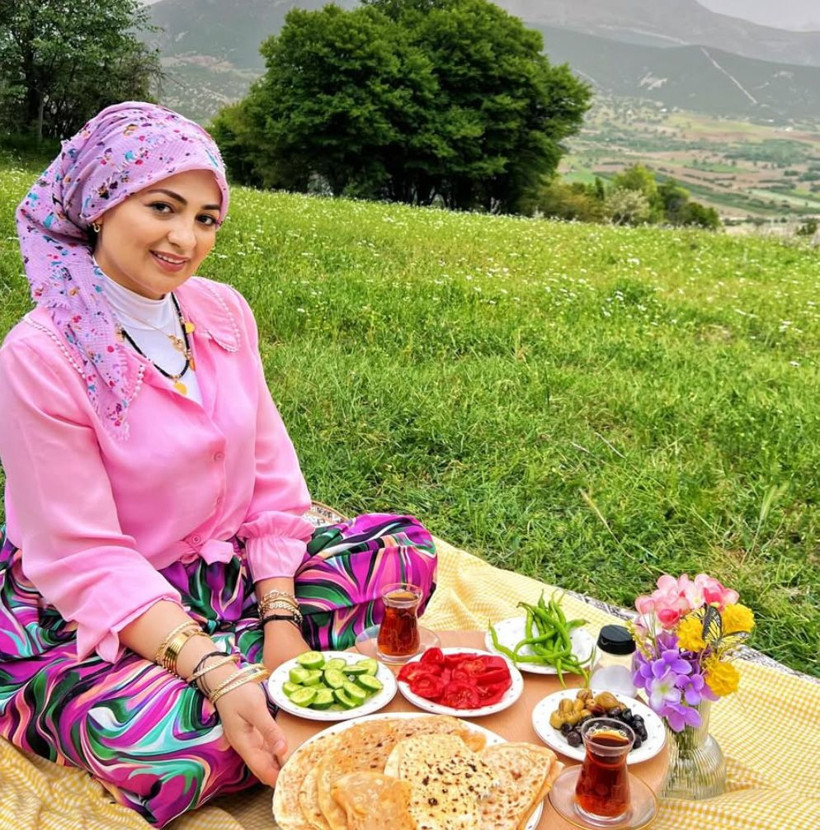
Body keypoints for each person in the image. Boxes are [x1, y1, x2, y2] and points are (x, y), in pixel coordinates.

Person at [0, 102, 437, 827]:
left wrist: (280, 610)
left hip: (230, 570)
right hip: (105, 602)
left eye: (207, 218)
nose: (185, 239)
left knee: (400, 555)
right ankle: (222, 688)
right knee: (164, 746)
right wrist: (214, 670)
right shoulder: (42, 355)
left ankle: (261, 667)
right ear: (101, 205)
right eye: (162, 207)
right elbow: (79, 553)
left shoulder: (223, 312)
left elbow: (270, 472)